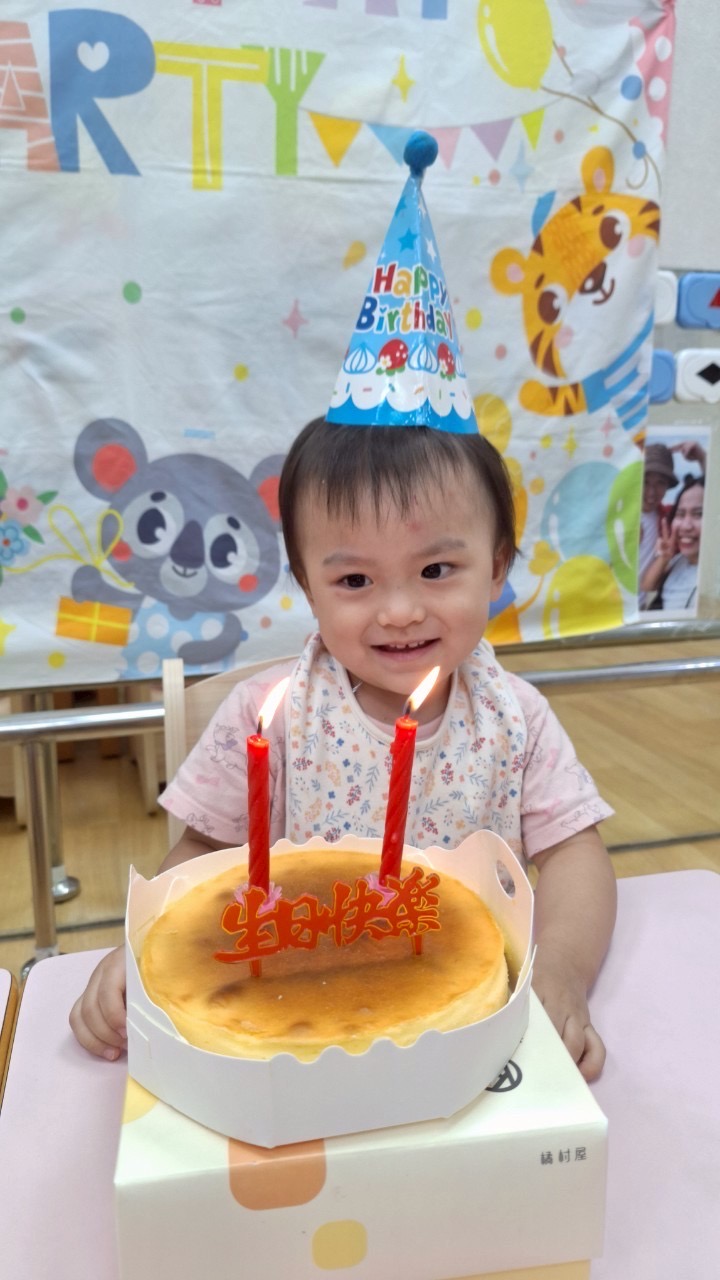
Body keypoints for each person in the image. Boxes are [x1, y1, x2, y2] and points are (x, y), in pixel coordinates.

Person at [70, 417, 618, 1081]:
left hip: (473, 1026)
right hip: (296, 1030)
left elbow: (573, 853)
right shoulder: (269, 716)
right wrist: (138, 953)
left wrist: (562, 967)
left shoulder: (516, 717)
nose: (399, 611)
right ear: (307, 585)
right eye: (355, 581)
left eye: (436, 570)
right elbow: (203, 852)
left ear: (497, 566)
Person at [640, 474, 705, 612]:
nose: (686, 526)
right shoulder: (679, 560)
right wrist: (664, 558)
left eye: (699, 514)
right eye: (680, 514)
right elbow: (647, 586)